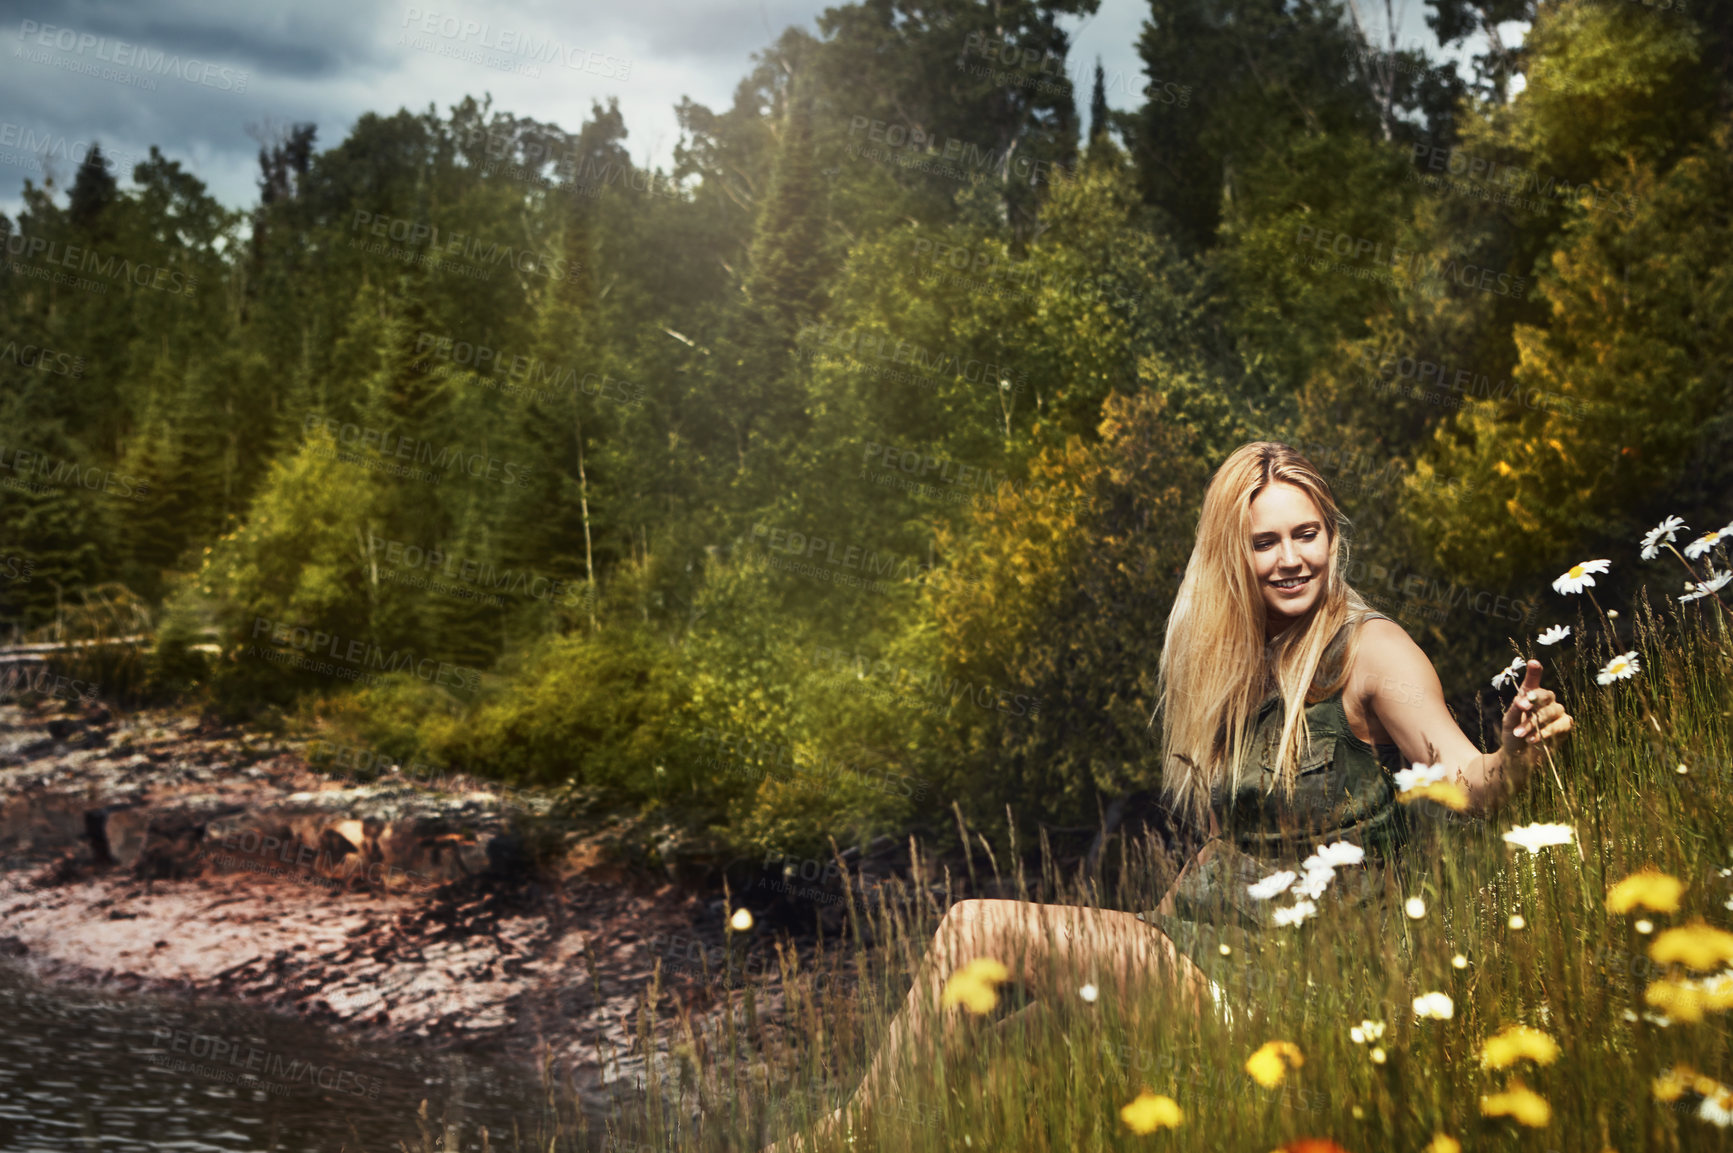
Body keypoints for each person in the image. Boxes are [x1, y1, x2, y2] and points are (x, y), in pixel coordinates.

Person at [766, 441, 1574, 1150]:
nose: (1290, 558)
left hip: (1291, 988)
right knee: (1007, 1052)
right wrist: (1148, 932)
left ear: (1332, 539)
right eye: (1266, 542)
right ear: (1234, 554)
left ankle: (841, 1138)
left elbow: (1464, 778)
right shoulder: (1240, 660)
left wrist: (1513, 753)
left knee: (973, 926)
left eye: (1307, 534)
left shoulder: (1368, 650)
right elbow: (1237, 842)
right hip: (1197, 947)